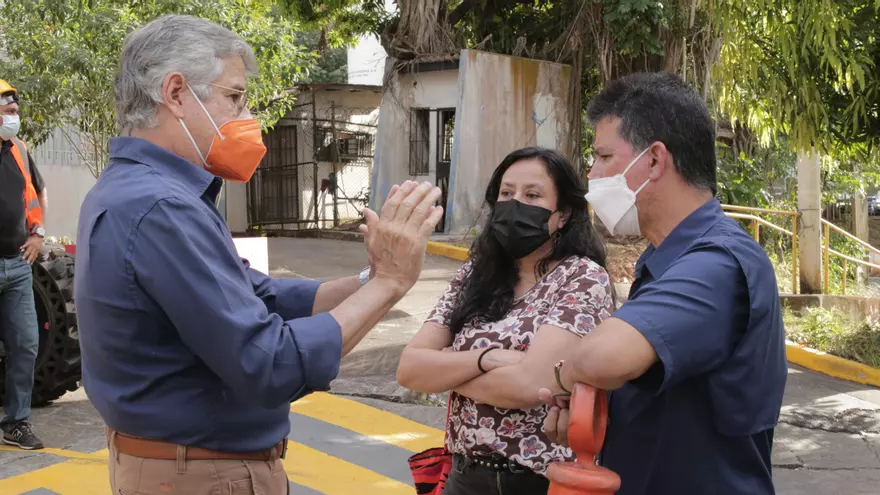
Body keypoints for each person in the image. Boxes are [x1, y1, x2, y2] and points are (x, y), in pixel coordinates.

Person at [74, 15, 443, 494]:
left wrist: (371, 279)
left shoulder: (135, 190)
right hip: (203, 476)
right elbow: (268, 365)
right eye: (234, 97)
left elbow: (258, 293)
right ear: (176, 93)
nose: (246, 118)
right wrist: (391, 282)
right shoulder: (161, 206)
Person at [539, 72, 788, 494]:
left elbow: (606, 357)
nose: (592, 174)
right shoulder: (664, 259)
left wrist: (567, 375)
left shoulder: (719, 262)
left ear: (653, 160)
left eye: (603, 157)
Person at [397, 147, 615, 495]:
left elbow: (532, 385)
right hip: (464, 475)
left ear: (563, 214)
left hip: (538, 480)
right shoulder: (475, 274)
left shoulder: (582, 278)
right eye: (507, 193)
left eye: (532, 195)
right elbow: (409, 369)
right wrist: (488, 359)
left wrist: (448, 370)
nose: (515, 204)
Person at [0, 79, 47, 451]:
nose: (14, 116)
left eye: (15, 110)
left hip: (16, 264)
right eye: (7, 110)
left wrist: (38, 232)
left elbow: (34, 192)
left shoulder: (18, 148)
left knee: (26, 344)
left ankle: (15, 423)